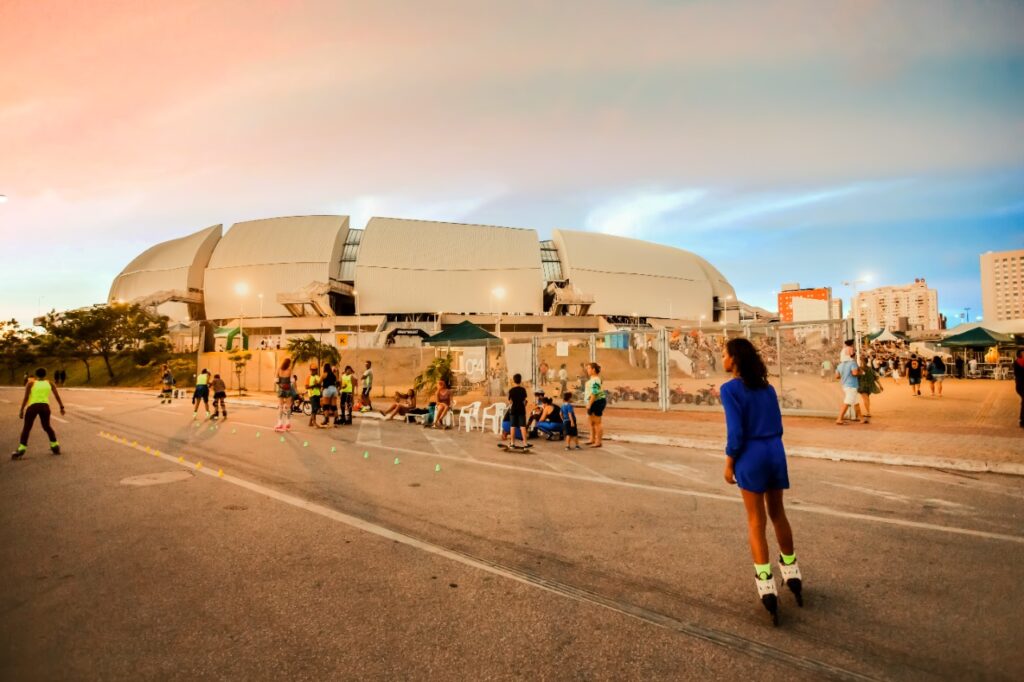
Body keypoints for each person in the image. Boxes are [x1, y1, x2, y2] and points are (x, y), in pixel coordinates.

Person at [720, 338, 802, 624]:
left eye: (724, 354)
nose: (722, 359)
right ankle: (791, 569)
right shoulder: (767, 388)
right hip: (774, 450)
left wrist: (730, 462)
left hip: (751, 454)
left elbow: (735, 432)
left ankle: (766, 581)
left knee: (756, 520)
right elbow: (778, 424)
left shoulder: (730, 389)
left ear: (735, 359)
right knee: (778, 514)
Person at [12, 367, 65, 459]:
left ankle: (21, 449)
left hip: (33, 407)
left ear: (36, 375)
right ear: (45, 374)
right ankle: (55, 446)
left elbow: (26, 398)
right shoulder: (50, 383)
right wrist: (61, 407)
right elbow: (57, 396)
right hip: (45, 407)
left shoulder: (31, 383)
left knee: (27, 428)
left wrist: (21, 410)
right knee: (47, 427)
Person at [502, 373, 530, 450]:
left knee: (513, 426)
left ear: (514, 381)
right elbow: (524, 401)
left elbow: (510, 402)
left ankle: (512, 443)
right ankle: (525, 444)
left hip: (513, 410)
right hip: (521, 410)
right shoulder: (523, 390)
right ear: (520, 380)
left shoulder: (511, 390)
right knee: (523, 426)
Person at [835, 355, 863, 425]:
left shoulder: (839, 365)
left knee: (856, 402)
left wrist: (845, 375)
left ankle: (861, 419)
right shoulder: (852, 363)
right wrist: (861, 372)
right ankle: (839, 419)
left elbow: (837, 376)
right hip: (852, 385)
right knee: (847, 402)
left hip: (845, 385)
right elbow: (855, 373)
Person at [584, 362, 607, 447]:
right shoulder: (592, 379)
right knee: (591, 422)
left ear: (593, 370)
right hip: (592, 402)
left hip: (597, 402)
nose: (587, 370)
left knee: (597, 422)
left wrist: (590, 404)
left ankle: (598, 442)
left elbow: (595, 393)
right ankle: (592, 439)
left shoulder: (596, 379)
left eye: (589, 368)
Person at [857, 355, 882, 422]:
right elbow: (876, 378)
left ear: (863, 362)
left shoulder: (859, 369)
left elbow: (856, 377)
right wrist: (880, 385)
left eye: (861, 361)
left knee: (865, 399)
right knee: (867, 399)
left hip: (862, 386)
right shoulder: (870, 369)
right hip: (869, 386)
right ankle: (868, 411)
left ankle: (868, 412)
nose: (861, 362)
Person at [274, 358, 293, 432]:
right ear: (288, 363)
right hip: (288, 389)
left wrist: (280, 385)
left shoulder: (279, 369)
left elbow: (276, 380)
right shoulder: (290, 369)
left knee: (280, 406)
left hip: (281, 389)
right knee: (288, 407)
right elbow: (292, 380)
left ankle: (279, 423)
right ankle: (287, 422)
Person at [1014, 349, 1024, 428]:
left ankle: (1022, 420)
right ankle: (1022, 420)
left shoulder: (1017, 362)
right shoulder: (1018, 362)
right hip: (1021, 385)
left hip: (1019, 385)